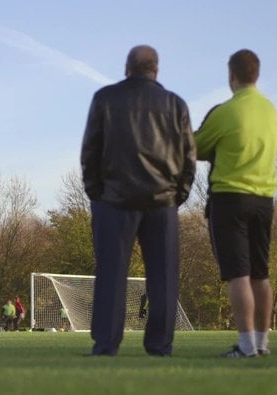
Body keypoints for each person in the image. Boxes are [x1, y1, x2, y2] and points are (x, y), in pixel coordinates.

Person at [80, 45, 196, 356]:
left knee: (111, 274)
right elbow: (189, 158)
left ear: (127, 68)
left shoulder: (105, 98)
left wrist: (96, 193)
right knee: (164, 278)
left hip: (114, 199)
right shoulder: (175, 104)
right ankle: (159, 344)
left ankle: (106, 343)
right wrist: (177, 195)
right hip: (162, 201)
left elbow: (91, 149)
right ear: (156, 70)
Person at [194, 49, 277, 358]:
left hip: (230, 200)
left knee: (238, 274)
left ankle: (245, 347)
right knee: (261, 273)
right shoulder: (271, 110)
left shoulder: (226, 112)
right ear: (257, 74)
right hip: (265, 201)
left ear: (231, 75)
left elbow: (196, 147)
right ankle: (261, 343)